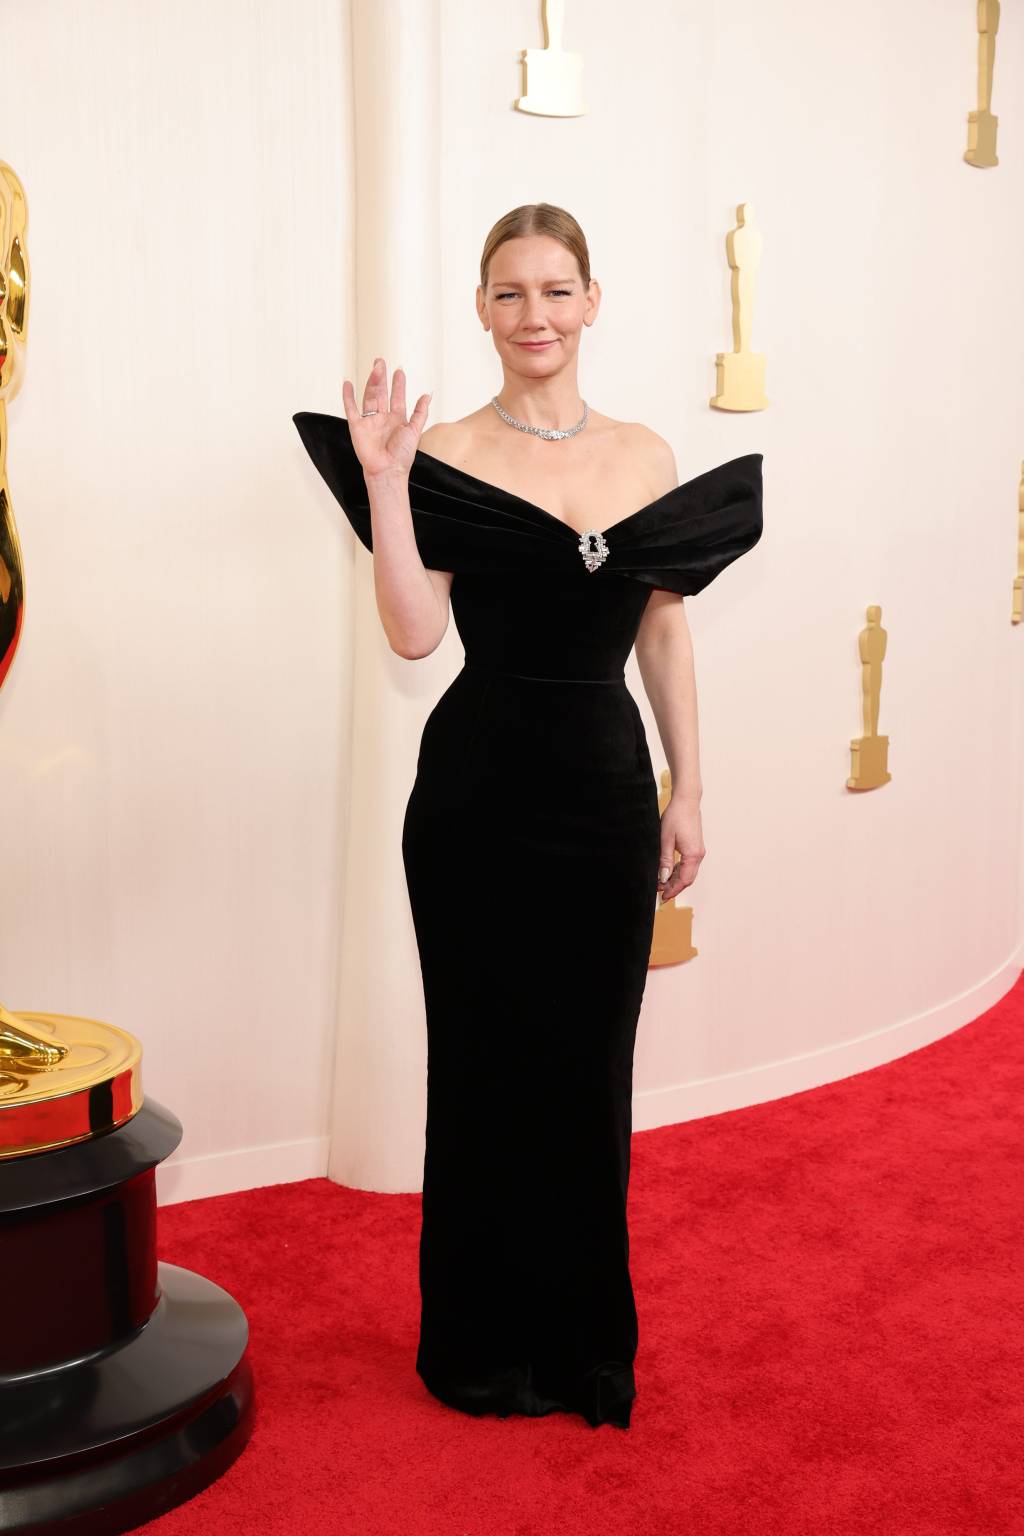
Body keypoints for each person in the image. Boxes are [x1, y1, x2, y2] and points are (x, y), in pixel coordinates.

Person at [293, 202, 763, 1430]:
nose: (534, 316)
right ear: (482, 309)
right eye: (509, 293)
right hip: (474, 797)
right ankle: (479, 1347)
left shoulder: (647, 455)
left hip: (606, 792)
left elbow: (662, 627)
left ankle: (581, 1349)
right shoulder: (442, 448)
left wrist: (688, 786)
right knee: (485, 1067)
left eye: (556, 291)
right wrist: (388, 486)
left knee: (588, 1071)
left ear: (592, 303)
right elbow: (412, 632)